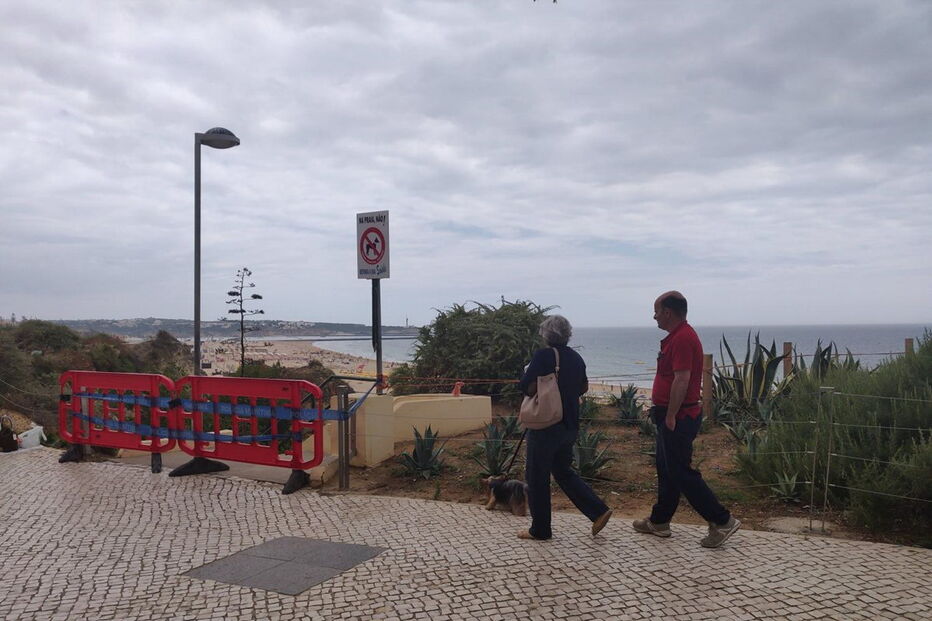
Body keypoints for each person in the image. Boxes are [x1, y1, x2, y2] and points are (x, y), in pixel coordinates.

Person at [633, 291, 740, 548]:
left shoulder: (683, 338)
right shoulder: (677, 336)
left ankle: (722, 520)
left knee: (681, 472)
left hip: (679, 416)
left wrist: (670, 414)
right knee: (666, 468)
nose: (654, 315)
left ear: (668, 312)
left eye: (657, 311)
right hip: (670, 414)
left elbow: (682, 379)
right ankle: (660, 521)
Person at [517, 315, 612, 540]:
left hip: (546, 425)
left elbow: (527, 388)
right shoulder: (576, 358)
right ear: (567, 334)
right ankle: (598, 511)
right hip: (569, 424)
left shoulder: (543, 356)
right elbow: (584, 387)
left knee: (536, 476)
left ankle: (540, 529)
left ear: (546, 334)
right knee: (563, 471)